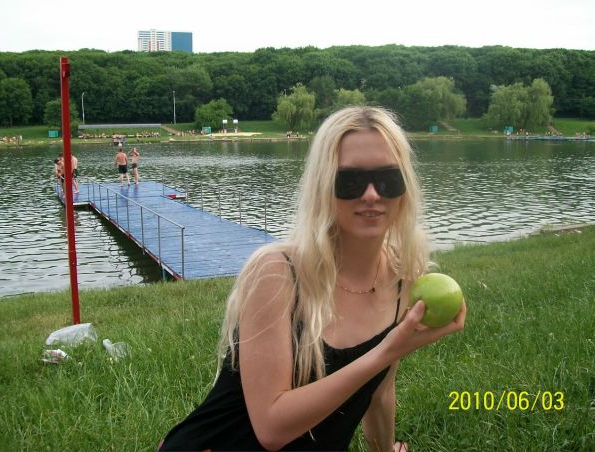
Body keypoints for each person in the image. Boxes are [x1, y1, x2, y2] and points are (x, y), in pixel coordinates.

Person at [158, 106, 466, 452]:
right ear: (323, 186)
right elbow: (271, 428)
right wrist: (388, 350)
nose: (371, 194)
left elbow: (379, 391)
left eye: (387, 179)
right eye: (349, 181)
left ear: (404, 187)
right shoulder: (278, 272)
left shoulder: (402, 281)